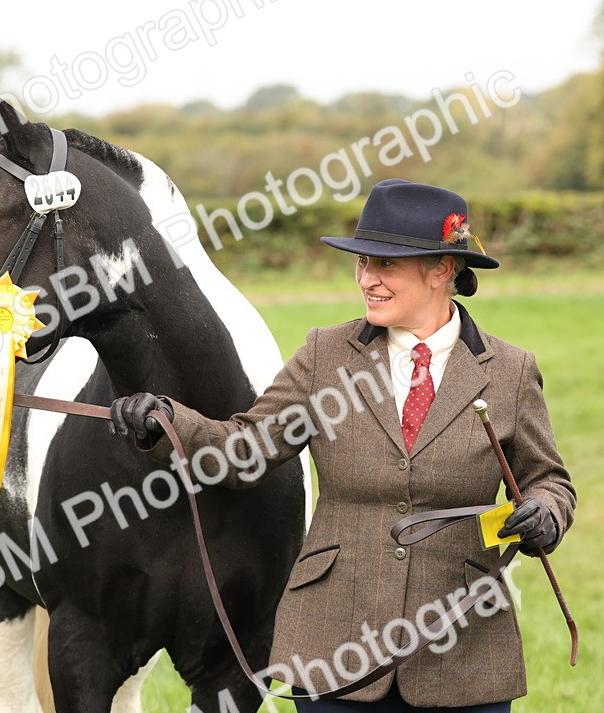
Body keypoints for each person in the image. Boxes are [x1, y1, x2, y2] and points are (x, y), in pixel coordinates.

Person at [110, 179, 576, 712]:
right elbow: (245, 448)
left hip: (463, 645)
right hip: (333, 645)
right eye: (362, 262)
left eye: (386, 265)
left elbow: (548, 480)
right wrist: (167, 423)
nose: (367, 279)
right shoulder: (325, 354)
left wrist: (545, 513)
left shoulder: (511, 370)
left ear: (442, 269)